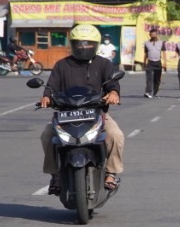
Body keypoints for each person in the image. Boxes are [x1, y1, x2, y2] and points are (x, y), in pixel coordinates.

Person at [38, 23, 124, 194]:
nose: (83, 47)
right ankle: (55, 175)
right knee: (47, 135)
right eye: (79, 43)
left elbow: (112, 83)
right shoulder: (62, 65)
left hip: (97, 113)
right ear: (72, 44)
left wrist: (113, 93)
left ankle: (111, 173)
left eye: (88, 43)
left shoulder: (104, 64)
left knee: (115, 135)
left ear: (96, 45)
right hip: (66, 115)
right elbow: (51, 85)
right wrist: (46, 96)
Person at [141, 28, 163, 98]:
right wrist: (144, 62)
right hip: (150, 62)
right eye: (152, 35)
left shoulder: (161, 43)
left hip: (158, 62)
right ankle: (148, 92)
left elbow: (164, 53)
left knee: (157, 79)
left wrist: (165, 63)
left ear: (156, 35)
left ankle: (155, 92)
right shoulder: (147, 43)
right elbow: (145, 53)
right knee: (149, 79)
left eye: (155, 35)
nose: (153, 36)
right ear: (150, 35)